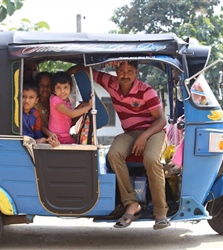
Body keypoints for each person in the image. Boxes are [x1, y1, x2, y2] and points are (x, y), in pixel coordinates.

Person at [68, 61, 170, 230]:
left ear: (136, 72)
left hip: (154, 132)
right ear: (116, 71)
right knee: (113, 154)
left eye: (130, 71)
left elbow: (161, 120)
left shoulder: (146, 91)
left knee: (151, 159)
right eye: (121, 71)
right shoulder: (111, 83)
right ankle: (131, 203)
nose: (125, 75)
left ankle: (161, 212)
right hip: (130, 133)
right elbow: (87, 69)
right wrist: (68, 71)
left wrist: (144, 136)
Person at [48, 71, 91, 144]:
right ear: (53, 89)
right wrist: (88, 107)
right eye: (58, 88)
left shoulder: (66, 100)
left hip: (64, 135)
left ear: (70, 88)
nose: (62, 91)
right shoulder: (55, 100)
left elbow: (68, 119)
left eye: (65, 87)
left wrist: (84, 105)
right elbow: (71, 114)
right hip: (58, 137)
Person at [34, 71, 60, 147]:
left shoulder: (55, 101)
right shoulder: (34, 104)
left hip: (56, 137)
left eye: (48, 85)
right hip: (40, 139)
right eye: (41, 85)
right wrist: (50, 134)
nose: (45, 88)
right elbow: (39, 125)